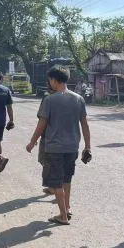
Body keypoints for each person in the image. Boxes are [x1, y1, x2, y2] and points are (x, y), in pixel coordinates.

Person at [26, 66, 91, 225]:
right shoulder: (78, 99)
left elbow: (42, 124)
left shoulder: (50, 99)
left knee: (55, 182)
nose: (50, 83)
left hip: (54, 148)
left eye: (50, 80)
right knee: (67, 179)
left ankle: (62, 216)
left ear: (54, 80)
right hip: (72, 147)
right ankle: (67, 208)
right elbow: (85, 124)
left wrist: (32, 142)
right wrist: (87, 146)